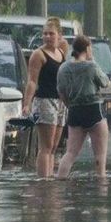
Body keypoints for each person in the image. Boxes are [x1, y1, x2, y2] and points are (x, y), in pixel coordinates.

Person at [56, 35, 111, 178]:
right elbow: (105, 82)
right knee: (100, 155)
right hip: (94, 111)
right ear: (87, 48)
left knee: (70, 153)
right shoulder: (91, 66)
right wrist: (92, 59)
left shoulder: (63, 68)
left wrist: (71, 106)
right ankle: (101, 190)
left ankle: (59, 182)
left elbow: (61, 92)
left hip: (74, 111)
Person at [22, 17, 68, 177]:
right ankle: (43, 182)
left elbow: (65, 45)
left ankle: (49, 178)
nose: (47, 37)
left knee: (55, 146)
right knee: (46, 146)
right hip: (44, 101)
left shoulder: (61, 53)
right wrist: (26, 104)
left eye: (51, 34)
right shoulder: (38, 54)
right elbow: (32, 81)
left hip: (60, 102)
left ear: (59, 35)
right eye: (45, 34)